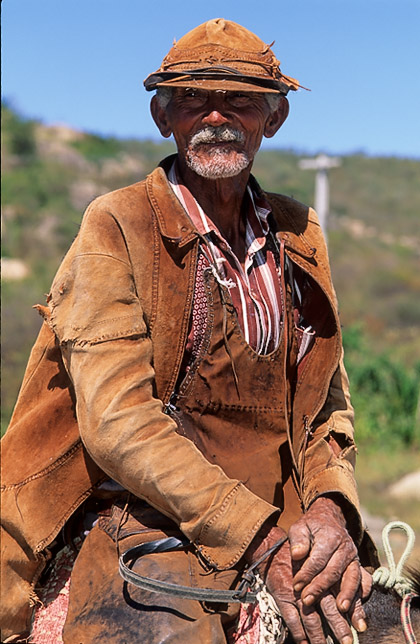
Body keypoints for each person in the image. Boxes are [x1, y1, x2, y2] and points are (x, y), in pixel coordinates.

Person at [1, 18, 378, 644]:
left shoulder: (300, 231)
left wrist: (331, 510)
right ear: (162, 115)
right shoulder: (117, 223)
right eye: (194, 98)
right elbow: (119, 421)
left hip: (283, 520)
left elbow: (325, 409)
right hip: (145, 517)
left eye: (240, 100)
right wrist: (257, 537)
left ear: (273, 119)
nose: (216, 117)